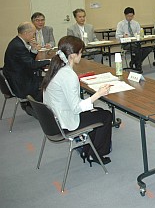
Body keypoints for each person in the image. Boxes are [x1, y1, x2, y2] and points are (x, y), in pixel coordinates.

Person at [42, 36, 113, 165]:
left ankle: (88, 148)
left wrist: (90, 104)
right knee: (106, 115)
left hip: (53, 119)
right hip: (66, 121)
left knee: (97, 111)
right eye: (81, 53)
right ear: (73, 55)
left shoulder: (55, 68)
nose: (82, 55)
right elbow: (76, 108)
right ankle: (96, 153)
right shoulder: (68, 75)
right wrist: (98, 94)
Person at [3, 22, 50, 116]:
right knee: (48, 82)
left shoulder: (17, 42)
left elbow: (27, 60)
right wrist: (49, 61)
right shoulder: (18, 46)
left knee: (44, 79)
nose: (34, 35)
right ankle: (39, 111)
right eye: (33, 33)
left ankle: (31, 106)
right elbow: (31, 65)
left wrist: (33, 49)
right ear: (26, 33)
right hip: (20, 82)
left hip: (18, 76)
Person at [116, 7, 152, 73]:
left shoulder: (136, 23)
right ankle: (138, 66)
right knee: (137, 48)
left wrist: (139, 35)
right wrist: (123, 36)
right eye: (128, 16)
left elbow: (139, 33)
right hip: (126, 43)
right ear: (125, 15)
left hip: (137, 42)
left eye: (131, 16)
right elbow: (117, 35)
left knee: (149, 48)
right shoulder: (120, 24)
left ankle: (134, 61)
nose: (130, 18)